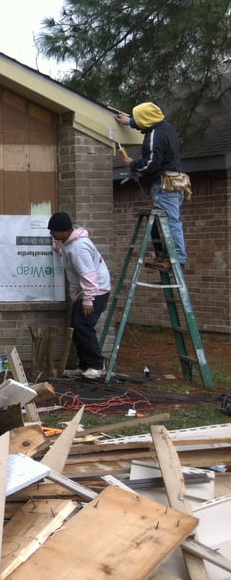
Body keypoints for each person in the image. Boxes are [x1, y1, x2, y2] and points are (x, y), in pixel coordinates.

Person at [113, 102, 190, 269]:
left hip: (165, 186)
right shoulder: (165, 126)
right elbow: (145, 122)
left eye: (138, 120)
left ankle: (178, 259)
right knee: (167, 223)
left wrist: (133, 164)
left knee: (171, 222)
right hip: (175, 183)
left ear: (146, 121)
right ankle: (166, 255)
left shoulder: (155, 136)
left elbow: (150, 165)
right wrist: (130, 122)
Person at [47, 212, 111, 379]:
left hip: (95, 292)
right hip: (87, 293)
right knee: (76, 328)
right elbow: (70, 257)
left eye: (53, 231)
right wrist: (60, 251)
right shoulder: (70, 243)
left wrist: (88, 300)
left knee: (83, 328)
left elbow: (89, 276)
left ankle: (97, 365)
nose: (51, 234)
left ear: (63, 231)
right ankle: (84, 366)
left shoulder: (79, 248)